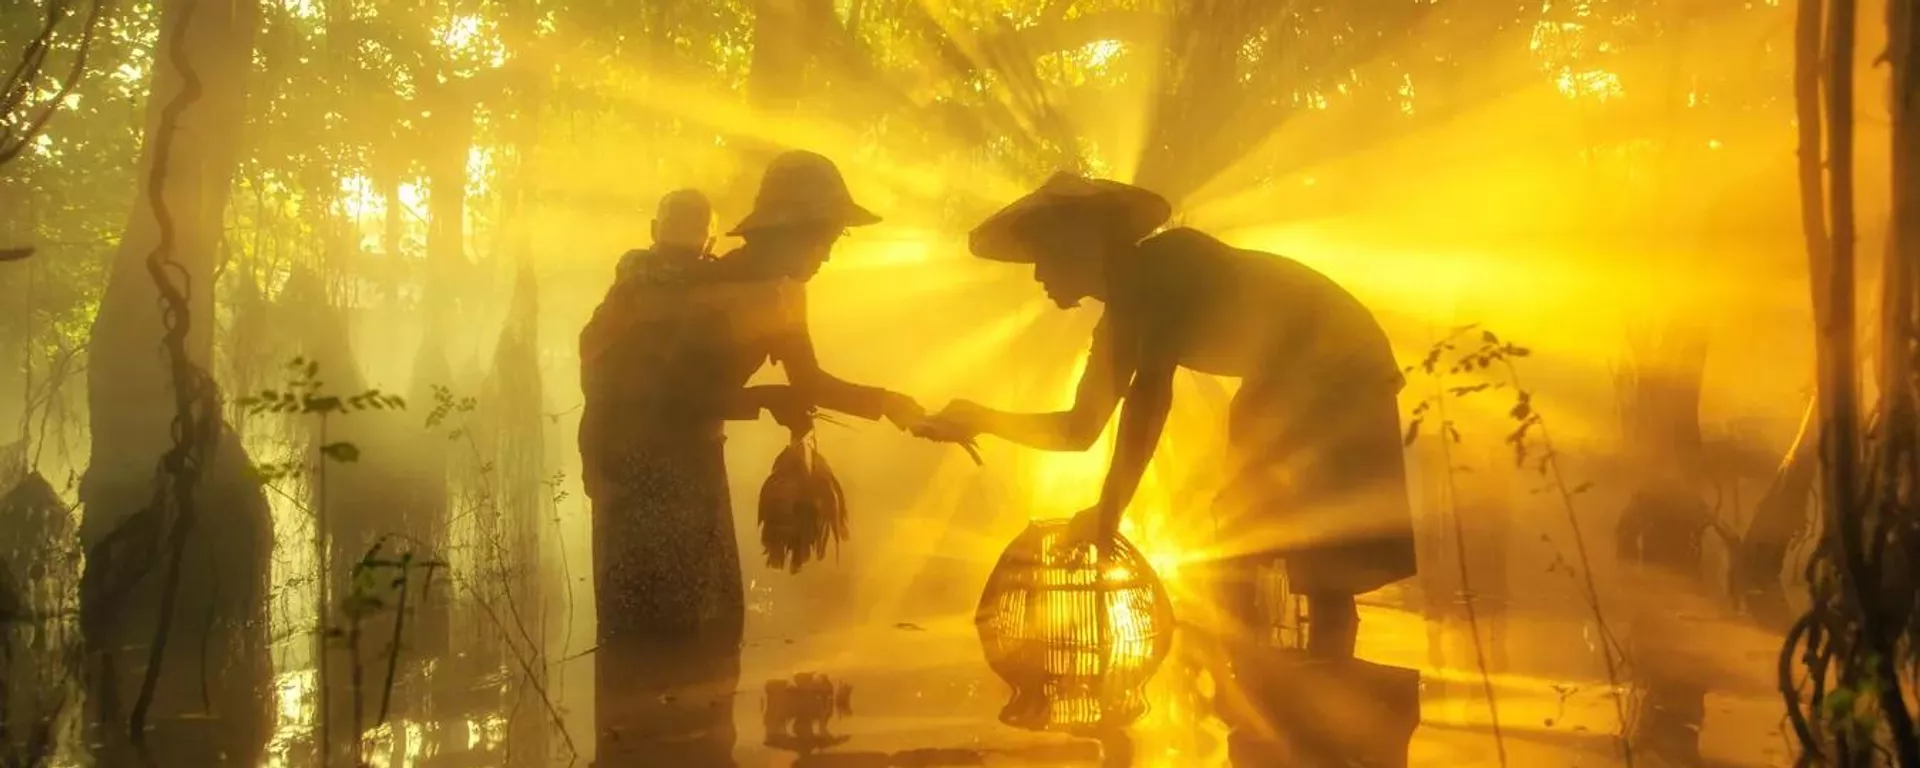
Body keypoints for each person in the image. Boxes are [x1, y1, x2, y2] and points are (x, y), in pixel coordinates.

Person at [922, 172, 1417, 661]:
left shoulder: (1171, 263)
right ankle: (1271, 672)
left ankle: (1300, 676)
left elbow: (1150, 396)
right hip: (1284, 379)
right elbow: (1080, 429)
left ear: (1083, 243)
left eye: (1044, 255)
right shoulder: (1120, 321)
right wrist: (983, 418)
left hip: (1338, 364)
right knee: (1250, 521)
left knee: (1301, 540)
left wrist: (1109, 510)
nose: (1037, 274)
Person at [579, 155, 926, 766]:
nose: (828, 254)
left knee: (711, 624)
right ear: (787, 233)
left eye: (834, 240)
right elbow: (656, 395)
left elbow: (810, 380)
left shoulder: (786, 296)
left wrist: (897, 406)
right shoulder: (701, 290)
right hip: (639, 466)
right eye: (824, 238)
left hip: (698, 464)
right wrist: (761, 398)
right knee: (653, 628)